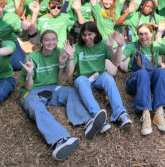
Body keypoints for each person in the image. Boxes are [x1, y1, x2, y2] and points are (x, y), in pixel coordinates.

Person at [19, 30, 105, 161]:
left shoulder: (59, 53)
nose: (50, 42)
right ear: (41, 42)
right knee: (37, 108)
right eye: (47, 40)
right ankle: (60, 140)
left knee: (70, 91)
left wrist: (60, 65)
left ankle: (87, 122)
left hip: (52, 88)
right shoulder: (33, 57)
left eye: (53, 39)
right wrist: (30, 73)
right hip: (31, 92)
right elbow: (28, 87)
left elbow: (59, 80)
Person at [68, 22, 131, 134]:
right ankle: (98, 117)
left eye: (90, 34)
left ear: (96, 34)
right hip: (84, 78)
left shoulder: (103, 44)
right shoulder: (77, 48)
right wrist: (70, 57)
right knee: (80, 81)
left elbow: (116, 63)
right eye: (84, 35)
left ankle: (120, 114)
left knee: (109, 78)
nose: (86, 38)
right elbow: (69, 73)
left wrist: (117, 46)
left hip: (99, 76)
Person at [120, 23, 165, 136]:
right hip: (135, 81)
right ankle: (145, 113)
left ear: (151, 34)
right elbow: (119, 59)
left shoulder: (156, 45)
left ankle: (158, 113)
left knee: (161, 71)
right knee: (142, 73)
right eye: (140, 34)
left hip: (150, 83)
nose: (143, 37)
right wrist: (118, 46)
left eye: (146, 33)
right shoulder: (132, 46)